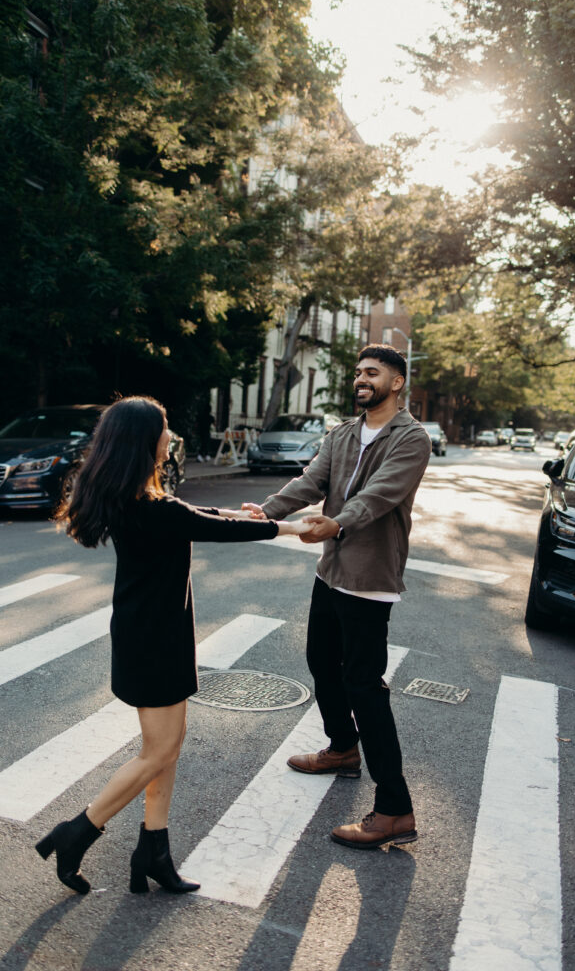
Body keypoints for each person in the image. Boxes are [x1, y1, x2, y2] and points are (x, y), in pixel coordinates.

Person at [37, 395, 308, 896]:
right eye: (165, 429)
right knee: (158, 750)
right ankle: (76, 833)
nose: (171, 438)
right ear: (147, 442)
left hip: (154, 635)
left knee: (166, 748)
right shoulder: (151, 507)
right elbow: (205, 524)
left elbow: (201, 512)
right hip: (154, 642)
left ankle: (154, 850)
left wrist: (251, 515)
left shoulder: (137, 498)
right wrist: (287, 526)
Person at [242, 345, 431, 849]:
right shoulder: (344, 433)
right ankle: (343, 749)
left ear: (397, 382)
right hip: (332, 570)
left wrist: (337, 522)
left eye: (373, 373)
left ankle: (395, 808)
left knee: (364, 684)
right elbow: (311, 482)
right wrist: (263, 512)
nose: (362, 380)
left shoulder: (411, 438)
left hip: (369, 577)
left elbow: (381, 494)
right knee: (321, 660)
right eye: (358, 373)